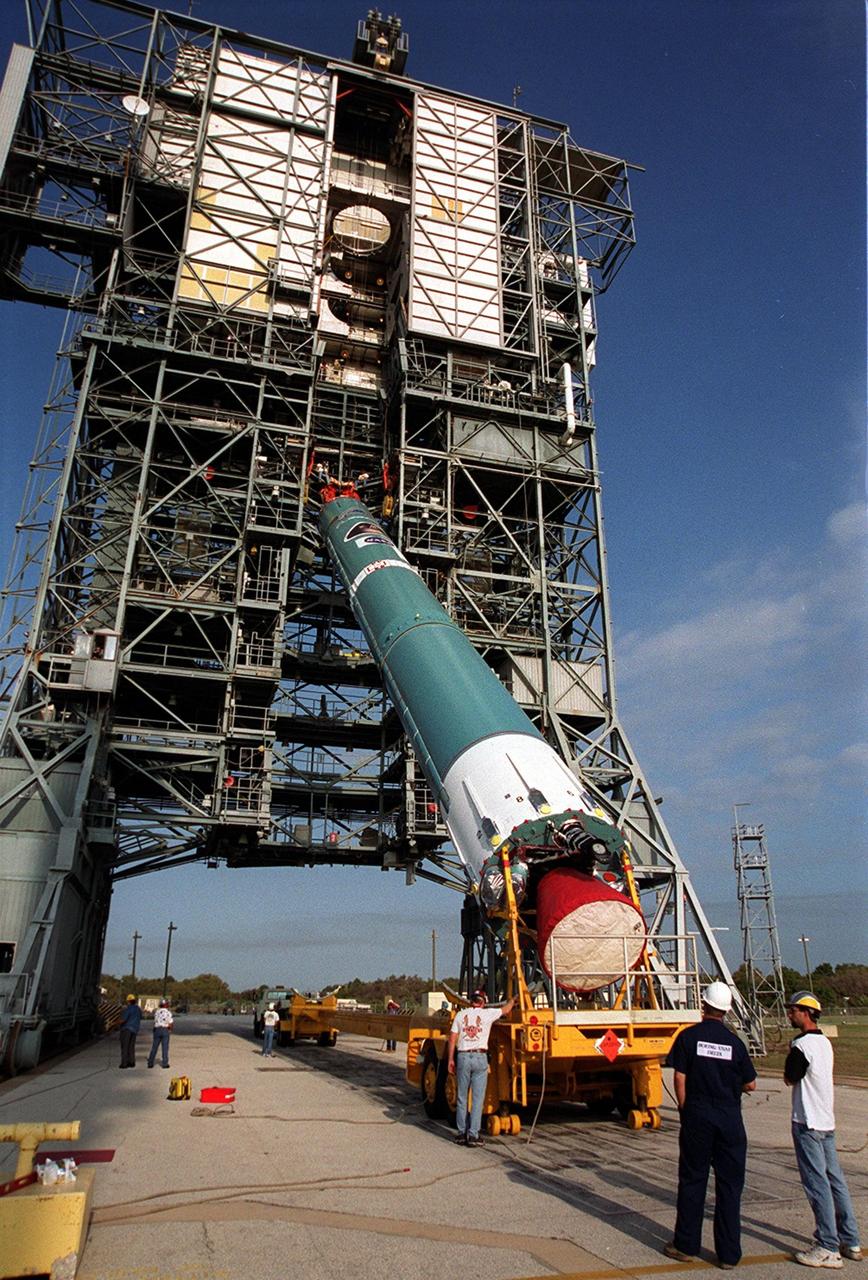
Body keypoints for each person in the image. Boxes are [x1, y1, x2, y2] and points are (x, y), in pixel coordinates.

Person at [664, 981, 756, 1270]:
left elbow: (679, 1078)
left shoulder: (688, 1038)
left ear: (703, 1005)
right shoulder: (735, 1043)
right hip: (730, 1120)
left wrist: (685, 1107)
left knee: (693, 1180)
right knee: (730, 1187)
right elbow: (751, 1083)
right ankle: (729, 1255)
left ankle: (686, 1245)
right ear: (727, 1011)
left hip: (698, 1115)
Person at [784, 990, 862, 1269]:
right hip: (826, 1122)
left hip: (808, 1122)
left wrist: (790, 1054)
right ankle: (850, 1240)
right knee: (835, 1181)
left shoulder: (801, 1045)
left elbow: (790, 1077)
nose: (790, 1014)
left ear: (805, 1013)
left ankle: (828, 1246)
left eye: (793, 1010)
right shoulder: (825, 1043)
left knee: (817, 1184)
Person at [446, 987, 517, 1146]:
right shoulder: (487, 1014)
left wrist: (451, 1059)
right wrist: (513, 1000)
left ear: (471, 1001)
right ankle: (473, 1135)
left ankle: (461, 1133)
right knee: (478, 1099)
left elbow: (452, 1038)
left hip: (463, 1056)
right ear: (483, 1002)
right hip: (480, 1057)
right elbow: (505, 1010)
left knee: (462, 1097)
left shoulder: (460, 1015)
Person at [147, 999, 174, 1069]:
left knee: (154, 1047)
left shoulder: (157, 1012)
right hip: (165, 1029)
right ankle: (165, 1063)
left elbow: (155, 1021)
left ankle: (150, 1062)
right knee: (165, 1048)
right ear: (166, 1005)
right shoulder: (168, 1012)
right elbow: (170, 1023)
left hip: (157, 1029)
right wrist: (170, 1029)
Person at [119, 993, 142, 1069]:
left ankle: (124, 1064)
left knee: (125, 1046)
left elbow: (123, 1020)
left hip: (127, 1029)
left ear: (128, 1001)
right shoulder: (138, 1009)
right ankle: (132, 1062)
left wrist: (114, 1023)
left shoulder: (128, 1009)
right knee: (131, 1046)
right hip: (135, 1029)